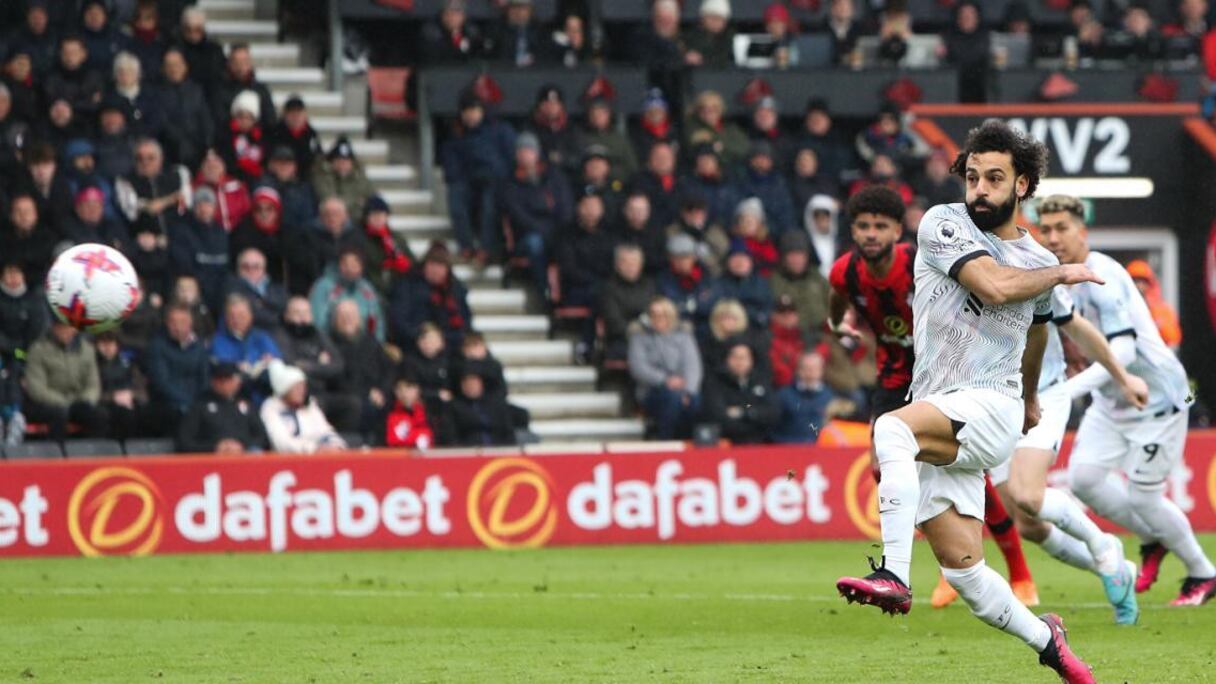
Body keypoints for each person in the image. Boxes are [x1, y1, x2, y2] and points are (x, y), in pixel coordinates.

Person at [834, 119, 1101, 681]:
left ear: (1022, 186)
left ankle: (893, 576)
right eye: (972, 176)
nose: (979, 189)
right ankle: (1049, 641)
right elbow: (996, 287)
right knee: (966, 576)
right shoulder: (942, 223)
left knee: (890, 430)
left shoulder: (1036, 261)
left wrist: (1027, 399)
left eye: (994, 178)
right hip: (942, 403)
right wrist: (1059, 273)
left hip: (990, 404)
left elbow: (1037, 334)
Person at [926, 194, 1149, 620]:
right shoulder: (960, 271)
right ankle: (1115, 569)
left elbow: (1075, 328)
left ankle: (1106, 547)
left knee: (1028, 494)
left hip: (1043, 392)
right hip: (997, 400)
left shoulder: (1031, 265)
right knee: (1029, 523)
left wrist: (1121, 376)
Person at [1038, 195, 1216, 607]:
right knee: (1084, 480)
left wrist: (1065, 391)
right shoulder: (1057, 279)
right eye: (1045, 230)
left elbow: (1123, 353)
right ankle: (1154, 537)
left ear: (1082, 231)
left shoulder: (1105, 275)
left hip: (1159, 398)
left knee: (1143, 496)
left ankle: (1202, 572)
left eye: (1062, 228)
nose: (1053, 237)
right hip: (1110, 401)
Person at [441, 91, 515, 263]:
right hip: (470, 182)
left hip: (497, 182)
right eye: (466, 111)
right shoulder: (456, 136)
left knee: (490, 203)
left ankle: (486, 249)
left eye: (474, 110)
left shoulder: (500, 130)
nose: (470, 115)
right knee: (456, 195)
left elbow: (510, 159)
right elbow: (451, 167)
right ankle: (466, 246)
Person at [499, 131, 574, 297]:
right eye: (522, 151)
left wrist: (560, 229)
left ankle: (566, 293)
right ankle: (543, 290)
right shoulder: (510, 184)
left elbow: (565, 207)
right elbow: (518, 216)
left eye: (529, 150)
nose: (526, 155)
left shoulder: (554, 177)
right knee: (535, 243)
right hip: (527, 236)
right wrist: (546, 231)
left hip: (557, 231)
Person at [628, 296, 703, 439]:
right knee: (672, 399)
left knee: (694, 401)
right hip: (652, 389)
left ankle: (687, 441)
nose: (658, 318)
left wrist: (688, 390)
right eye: (654, 315)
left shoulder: (684, 336)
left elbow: (693, 366)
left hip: (683, 388)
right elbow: (639, 368)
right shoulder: (639, 337)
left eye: (663, 315)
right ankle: (665, 439)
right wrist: (665, 380)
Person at [23, 321, 109, 440]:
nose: (69, 332)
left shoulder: (87, 350)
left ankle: (92, 454)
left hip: (78, 402)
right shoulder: (38, 350)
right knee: (59, 414)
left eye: (72, 328)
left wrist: (85, 400)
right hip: (47, 403)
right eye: (64, 328)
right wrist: (64, 402)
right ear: (55, 328)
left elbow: (93, 384)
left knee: (100, 414)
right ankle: (56, 454)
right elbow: (36, 388)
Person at [329, 299, 394, 439]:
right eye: (343, 316)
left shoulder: (370, 341)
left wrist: (382, 391)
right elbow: (335, 379)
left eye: (351, 316)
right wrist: (366, 393)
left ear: (359, 319)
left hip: (377, 394)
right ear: (335, 320)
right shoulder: (330, 344)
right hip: (349, 397)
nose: (347, 320)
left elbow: (388, 369)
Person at [388, 243, 472, 349]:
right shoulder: (407, 286)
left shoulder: (455, 291)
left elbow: (465, 324)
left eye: (440, 265)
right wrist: (423, 337)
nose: (435, 270)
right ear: (425, 265)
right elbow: (399, 321)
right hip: (414, 345)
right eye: (432, 264)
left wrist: (442, 339)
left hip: (449, 345)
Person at [0, 261, 48, 446]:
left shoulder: (34, 301)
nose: (13, 278)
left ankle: (15, 417)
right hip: (4, 352)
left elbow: (37, 332)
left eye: (16, 273)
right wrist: (11, 348)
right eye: (9, 273)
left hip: (24, 353)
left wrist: (19, 351)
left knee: (18, 367)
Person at [143, 302, 210, 432]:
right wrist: (187, 402)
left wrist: (198, 402)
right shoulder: (157, 346)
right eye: (174, 322)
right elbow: (161, 383)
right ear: (167, 323)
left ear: (191, 323)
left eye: (183, 322)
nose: (178, 327)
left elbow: (205, 378)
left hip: (196, 402)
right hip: (168, 405)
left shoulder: (200, 347)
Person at [176, 360, 267, 454]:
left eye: (229, 379)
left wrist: (242, 445)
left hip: (244, 457)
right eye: (220, 379)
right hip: (210, 461)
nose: (224, 383)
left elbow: (261, 437)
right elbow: (185, 442)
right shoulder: (200, 406)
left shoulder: (246, 405)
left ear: (238, 382)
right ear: (213, 382)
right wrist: (214, 447)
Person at [701, 343, 780, 445]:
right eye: (735, 357)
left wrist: (743, 412)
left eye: (743, 357)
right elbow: (718, 416)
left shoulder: (761, 382)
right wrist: (754, 422)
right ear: (727, 359)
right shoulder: (715, 384)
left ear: (751, 360)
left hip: (759, 444)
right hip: (727, 444)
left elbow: (773, 413)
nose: (739, 362)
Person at [261, 360, 346, 454]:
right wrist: (314, 449)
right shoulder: (271, 408)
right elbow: (282, 443)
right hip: (291, 461)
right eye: (297, 387)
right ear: (284, 389)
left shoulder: (310, 405)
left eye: (303, 387)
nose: (301, 391)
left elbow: (325, 430)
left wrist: (337, 445)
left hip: (319, 455)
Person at [168, 185, 229, 312]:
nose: (204, 209)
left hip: (219, 289)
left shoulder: (221, 233)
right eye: (199, 205)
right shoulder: (182, 230)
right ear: (194, 207)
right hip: (196, 288)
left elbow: (225, 266)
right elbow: (183, 265)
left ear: (214, 208)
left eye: (208, 205)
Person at [308, 247, 385, 342]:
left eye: (354, 265)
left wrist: (378, 345)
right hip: (333, 344)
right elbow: (318, 322)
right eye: (345, 264)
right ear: (339, 265)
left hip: (364, 345)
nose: (350, 269)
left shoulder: (366, 289)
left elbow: (377, 321)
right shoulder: (323, 286)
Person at [210, 293, 281, 393]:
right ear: (225, 318)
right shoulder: (217, 341)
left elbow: (275, 360)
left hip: (262, 391)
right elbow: (223, 368)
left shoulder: (262, 337)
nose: (236, 320)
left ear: (250, 316)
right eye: (232, 316)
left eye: (241, 315)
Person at [601, 243, 656, 362]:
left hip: (652, 335)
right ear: (616, 265)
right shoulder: (608, 289)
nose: (631, 267)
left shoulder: (650, 285)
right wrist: (634, 330)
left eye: (635, 262)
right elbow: (613, 322)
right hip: (622, 340)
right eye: (625, 262)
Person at [770, 231, 830, 335]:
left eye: (800, 255)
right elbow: (770, 311)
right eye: (792, 255)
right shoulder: (775, 281)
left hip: (823, 333)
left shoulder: (817, 277)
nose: (796, 260)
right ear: (784, 258)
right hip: (792, 336)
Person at [772, 351, 839, 444]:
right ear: (798, 370)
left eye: (815, 368)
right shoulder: (784, 396)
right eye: (807, 368)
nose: (811, 372)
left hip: (821, 450)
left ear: (822, 370)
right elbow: (773, 428)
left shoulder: (830, 396)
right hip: (789, 448)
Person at [312, 137, 375, 222]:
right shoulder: (322, 177)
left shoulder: (361, 179)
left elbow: (371, 198)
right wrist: (356, 202)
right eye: (339, 160)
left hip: (356, 223)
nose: (342, 164)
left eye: (346, 161)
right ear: (331, 162)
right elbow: (328, 199)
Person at [93, 331, 142, 439]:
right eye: (103, 343)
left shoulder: (128, 363)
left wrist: (132, 395)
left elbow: (141, 388)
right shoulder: (92, 364)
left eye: (111, 343)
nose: (107, 347)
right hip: (104, 402)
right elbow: (91, 390)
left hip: (129, 400)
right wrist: (113, 397)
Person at [226, 247, 287, 333]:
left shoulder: (278, 289)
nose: (251, 270)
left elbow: (285, 311)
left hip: (278, 336)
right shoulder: (231, 288)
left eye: (256, 266)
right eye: (245, 266)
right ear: (238, 269)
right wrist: (271, 308)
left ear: (264, 269)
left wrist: (259, 303)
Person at [449, 370, 516, 447]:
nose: (472, 387)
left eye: (475, 384)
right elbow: (451, 436)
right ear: (463, 386)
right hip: (469, 451)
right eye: (469, 384)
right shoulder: (455, 407)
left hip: (498, 450)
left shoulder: (496, 405)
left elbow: (508, 432)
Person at [685, 90, 749, 170]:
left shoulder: (730, 128)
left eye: (712, 110)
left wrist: (721, 144)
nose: (707, 113)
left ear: (720, 111)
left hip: (731, 171)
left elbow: (745, 148)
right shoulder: (692, 128)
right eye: (703, 109)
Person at [1126, 259, 1182, 350]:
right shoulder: (1121, 306)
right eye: (1135, 281)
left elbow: (1172, 338)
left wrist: (1155, 316)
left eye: (1142, 281)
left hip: (1155, 354)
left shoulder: (1160, 309)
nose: (1139, 285)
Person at [717, 242, 773, 329]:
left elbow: (768, 310)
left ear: (751, 262)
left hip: (757, 329)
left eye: (743, 258)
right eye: (735, 259)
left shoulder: (761, 283)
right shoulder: (719, 284)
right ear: (728, 263)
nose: (739, 263)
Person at [267, 95, 323, 179]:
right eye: (292, 113)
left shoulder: (311, 135)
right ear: (285, 115)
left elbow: (318, 158)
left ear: (304, 114)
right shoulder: (275, 134)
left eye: (299, 113)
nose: (295, 117)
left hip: (307, 180)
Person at [420, 0, 487, 65]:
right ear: (442, 16)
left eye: (456, 14)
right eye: (447, 14)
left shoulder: (471, 32)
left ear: (463, 16)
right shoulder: (432, 34)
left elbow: (478, 55)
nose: (452, 18)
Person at [384, 371, 436, 448]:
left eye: (409, 388)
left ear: (418, 389)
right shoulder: (389, 412)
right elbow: (392, 440)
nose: (404, 394)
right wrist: (417, 438)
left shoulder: (430, 411)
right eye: (399, 389)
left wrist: (409, 436)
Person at [684, 0, 735, 68]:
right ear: (703, 19)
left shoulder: (729, 38)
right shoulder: (691, 36)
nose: (715, 22)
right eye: (712, 17)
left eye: (719, 18)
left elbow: (723, 60)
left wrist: (702, 60)